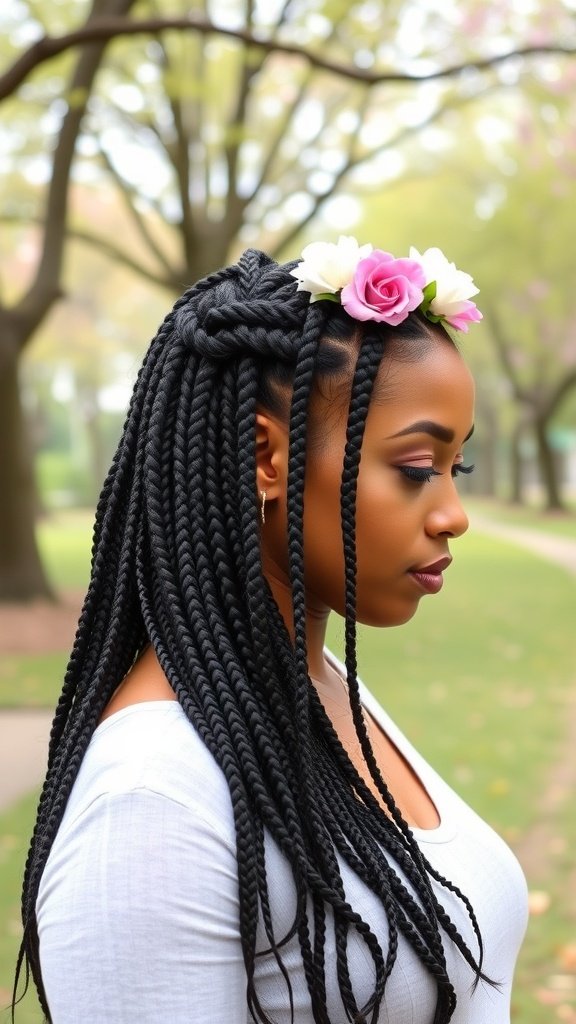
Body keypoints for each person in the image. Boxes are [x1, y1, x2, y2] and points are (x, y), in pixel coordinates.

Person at [15, 238, 528, 1023]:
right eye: (417, 467)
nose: (453, 514)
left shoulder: (321, 688)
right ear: (265, 455)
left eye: (453, 471)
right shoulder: (154, 802)